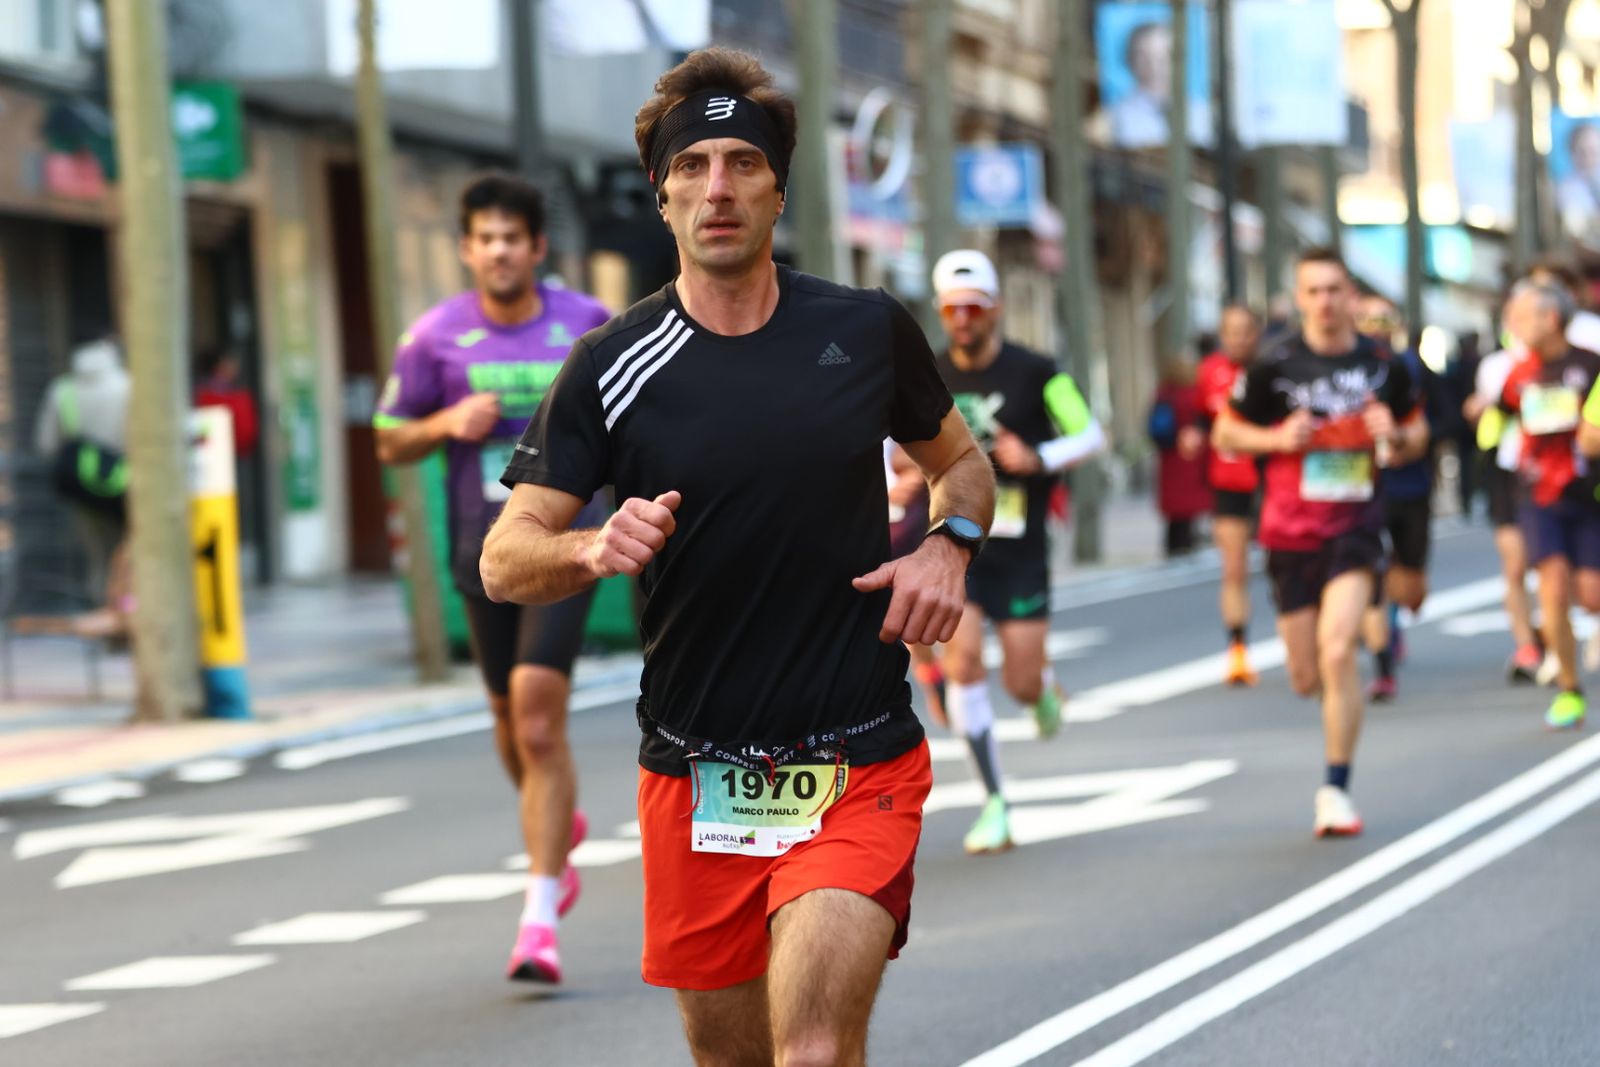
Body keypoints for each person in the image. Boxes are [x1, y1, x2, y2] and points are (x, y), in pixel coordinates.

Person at [480, 48, 994, 1064]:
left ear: (775, 189)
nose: (717, 187)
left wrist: (950, 544)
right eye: (694, 166)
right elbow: (506, 557)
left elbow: (962, 464)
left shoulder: (863, 330)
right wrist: (589, 544)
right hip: (694, 771)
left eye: (741, 164)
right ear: (664, 195)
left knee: (808, 1046)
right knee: (734, 1056)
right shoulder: (607, 365)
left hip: (856, 757)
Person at [372, 173, 611, 983]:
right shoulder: (434, 336)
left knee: (540, 720)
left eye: (516, 236)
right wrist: (443, 422)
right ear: (468, 250)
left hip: (565, 547)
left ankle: (540, 914)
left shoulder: (585, 326)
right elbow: (386, 439)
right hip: (482, 555)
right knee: (511, 724)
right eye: (487, 238)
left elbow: (632, 413)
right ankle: (555, 828)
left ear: (537, 248)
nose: (501, 249)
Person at [1213, 247, 1428, 837]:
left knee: (1339, 652)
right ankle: (1329, 722)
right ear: (1300, 297)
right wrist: (1279, 437)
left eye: (1335, 290)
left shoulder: (1384, 364)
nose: (1326, 302)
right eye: (1314, 291)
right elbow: (1226, 431)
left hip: (1356, 528)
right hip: (1288, 533)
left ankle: (1335, 788)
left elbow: (1418, 432)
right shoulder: (1272, 366)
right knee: (1306, 674)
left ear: (1351, 296)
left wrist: (1399, 434)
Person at [931, 248, 1105, 854]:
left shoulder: (1037, 371)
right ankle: (995, 802)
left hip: (1021, 549)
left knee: (1023, 681)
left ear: (995, 309)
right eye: (953, 309)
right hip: (956, 544)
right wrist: (894, 478)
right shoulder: (924, 373)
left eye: (974, 308)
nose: (963, 320)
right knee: (963, 664)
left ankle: (1043, 689)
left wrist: (1040, 458)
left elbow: (1090, 431)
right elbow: (883, 439)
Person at [1498, 279, 1600, 730]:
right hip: (1538, 495)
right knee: (1553, 589)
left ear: (1551, 318)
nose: (1515, 327)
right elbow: (1497, 416)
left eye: (1523, 317)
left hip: (1588, 493)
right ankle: (1569, 688)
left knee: (1591, 595)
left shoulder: (1591, 366)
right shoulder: (1517, 374)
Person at [1355, 295, 1439, 702]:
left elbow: (1435, 424)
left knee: (1412, 589)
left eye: (1384, 318)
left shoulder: (1410, 367)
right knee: (1374, 575)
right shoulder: (1346, 370)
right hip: (1366, 488)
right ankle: (1383, 666)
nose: (1376, 325)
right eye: (1368, 318)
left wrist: (1404, 441)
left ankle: (1397, 617)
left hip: (1411, 485)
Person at [1463, 313, 1542, 683]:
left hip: (1559, 475)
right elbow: (1483, 413)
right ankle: (1527, 646)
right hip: (1508, 471)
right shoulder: (1495, 366)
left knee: (1556, 569)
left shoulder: (1580, 359)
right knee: (1515, 566)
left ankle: (1553, 635)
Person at [33, 337, 130, 606]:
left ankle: (105, 616)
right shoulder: (127, 386)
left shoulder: (62, 390)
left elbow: (45, 444)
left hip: (85, 487)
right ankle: (130, 615)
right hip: (128, 484)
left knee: (99, 557)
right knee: (132, 555)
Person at [1197, 304, 1263, 685]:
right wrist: (1190, 434)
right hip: (1228, 482)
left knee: (1290, 563)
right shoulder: (1209, 372)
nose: (1239, 337)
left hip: (1272, 481)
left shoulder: (1272, 369)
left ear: (1258, 333)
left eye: (1246, 330)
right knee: (1234, 566)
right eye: (1231, 330)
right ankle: (1238, 650)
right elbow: (1197, 415)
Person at [1108, 20, 1211, 148]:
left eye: (1163, 57)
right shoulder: (1114, 118)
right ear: (1129, 60)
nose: (1154, 66)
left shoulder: (1202, 113)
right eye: (1144, 57)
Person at [1149, 358, 1211, 558]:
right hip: (1188, 458)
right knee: (1187, 505)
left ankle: (1174, 544)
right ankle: (1185, 542)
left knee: (1175, 508)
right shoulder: (1192, 395)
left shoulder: (1163, 395)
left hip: (1171, 459)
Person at [1556, 121, 1600, 243]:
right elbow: (1576, 230)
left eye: (1594, 151)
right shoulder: (1567, 189)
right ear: (1572, 153)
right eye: (1583, 152)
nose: (1589, 159)